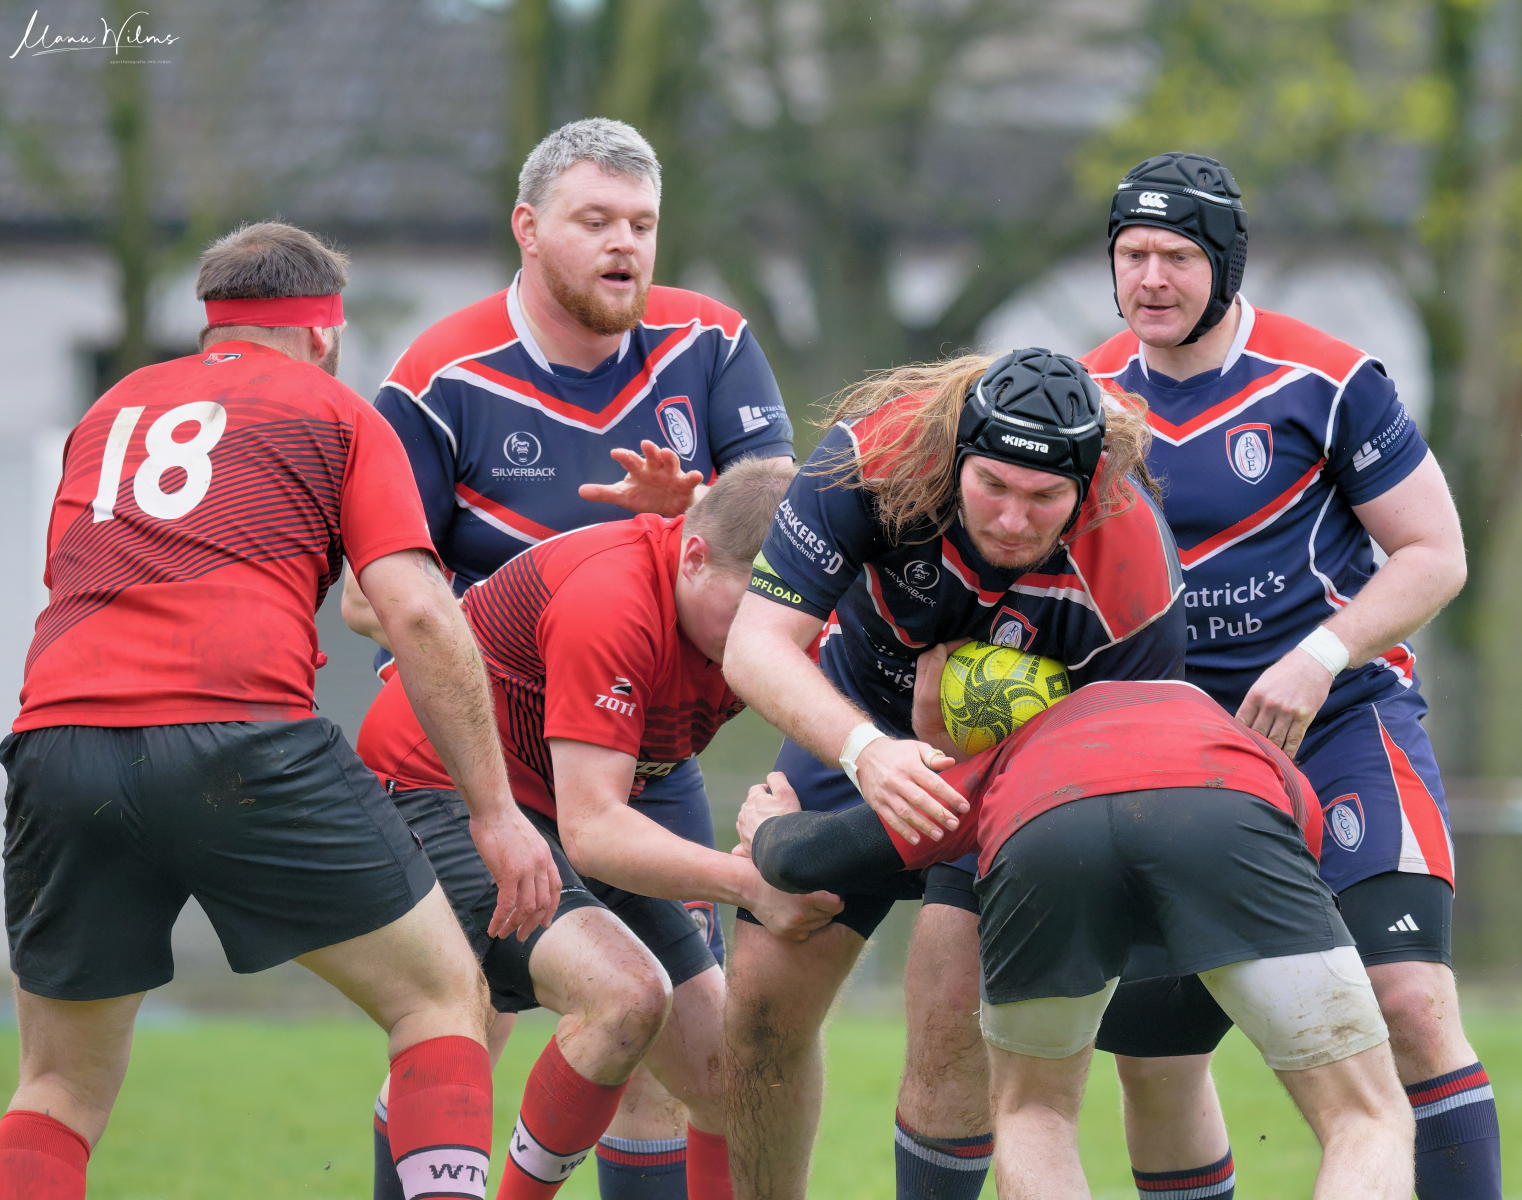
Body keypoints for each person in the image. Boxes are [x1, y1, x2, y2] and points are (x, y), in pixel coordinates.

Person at [0, 222, 561, 1200]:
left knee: (55, 1088)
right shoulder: (337, 409)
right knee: (441, 999)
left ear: (210, 322)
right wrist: (495, 812)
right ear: (325, 331)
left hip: (59, 744)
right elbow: (418, 614)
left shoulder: (111, 409)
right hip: (238, 739)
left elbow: (73, 580)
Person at [341, 117, 794, 1198]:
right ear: (529, 228)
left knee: (684, 1054)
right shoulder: (441, 376)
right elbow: (364, 599)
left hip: (642, 748)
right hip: (477, 760)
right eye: (595, 221)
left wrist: (686, 520)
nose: (623, 243)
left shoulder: (712, 343)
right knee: (465, 1019)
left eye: (641, 223)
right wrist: (544, 616)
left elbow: (779, 547)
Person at [1080, 151, 1491, 1200]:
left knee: (1407, 1002)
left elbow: (1435, 553)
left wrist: (1317, 657)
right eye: (1132, 253)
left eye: (1177, 255)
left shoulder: (1330, 380)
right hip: (1170, 758)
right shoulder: (1082, 397)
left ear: (1225, 263)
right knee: (1154, 1056)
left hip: (1341, 725)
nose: (1151, 278)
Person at [722, 348, 1186, 1200]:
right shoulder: (872, 461)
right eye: (993, 486)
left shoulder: (1133, 563)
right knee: (757, 1005)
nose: (1012, 518)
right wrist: (868, 751)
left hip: (1032, 769)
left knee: (949, 1010)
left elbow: (1133, 771)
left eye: (1044, 498)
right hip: (860, 719)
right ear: (956, 455)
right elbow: (753, 646)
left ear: (1088, 485)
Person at [355, 457, 841, 1200]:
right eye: (747, 607)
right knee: (624, 996)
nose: (767, 634)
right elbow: (594, 832)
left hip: (561, 803)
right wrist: (750, 883)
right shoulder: (612, 600)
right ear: (693, 557)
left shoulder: (780, 613)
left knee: (727, 1072)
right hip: (437, 788)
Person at [733, 675, 1416, 1200]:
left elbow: (815, 856)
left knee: (1034, 1113)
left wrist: (768, 829)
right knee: (1365, 1116)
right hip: (1226, 810)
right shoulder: (1239, 737)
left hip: (1045, 827)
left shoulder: (1015, 752)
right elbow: (1293, 856)